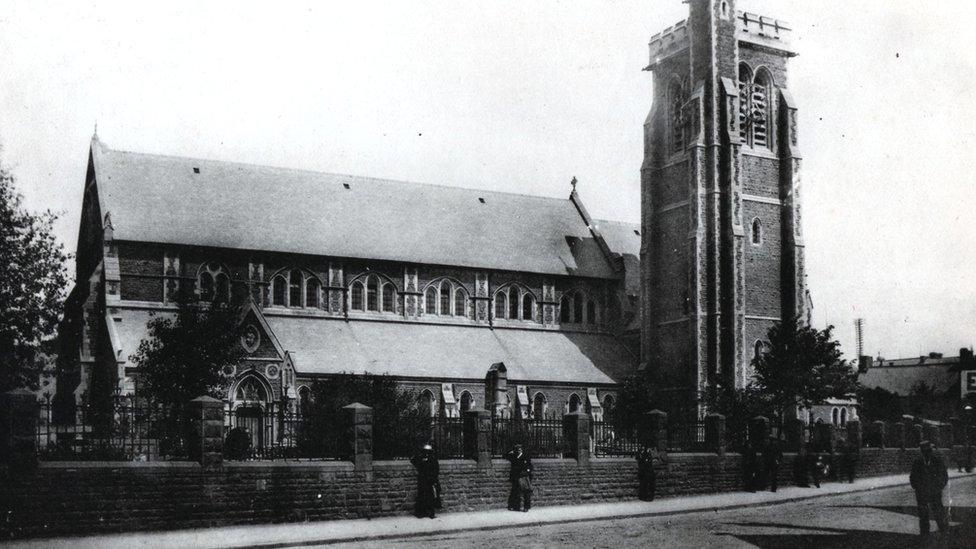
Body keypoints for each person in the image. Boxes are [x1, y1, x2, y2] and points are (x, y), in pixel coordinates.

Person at [909, 440, 949, 536]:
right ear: (922, 452)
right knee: (923, 514)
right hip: (921, 492)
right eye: (925, 451)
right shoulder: (917, 462)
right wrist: (917, 488)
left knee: (938, 512)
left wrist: (939, 487)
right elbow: (912, 477)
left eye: (929, 451)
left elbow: (944, 476)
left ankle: (944, 531)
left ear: (931, 451)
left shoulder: (937, 461)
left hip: (934, 492)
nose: (927, 453)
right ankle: (924, 534)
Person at [410, 443, 440, 519]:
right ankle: (420, 513)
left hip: (430, 480)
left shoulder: (433, 459)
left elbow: (436, 470)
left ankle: (431, 513)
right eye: (425, 451)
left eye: (428, 451)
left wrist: (433, 479)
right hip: (422, 480)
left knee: (430, 497)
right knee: (421, 496)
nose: (426, 453)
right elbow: (413, 460)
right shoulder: (420, 458)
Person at [504, 443, 533, 511]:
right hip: (516, 477)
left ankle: (526, 507)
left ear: (522, 450)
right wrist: (510, 452)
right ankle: (514, 506)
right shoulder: (514, 457)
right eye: (517, 450)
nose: (518, 451)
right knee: (515, 492)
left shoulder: (525, 456)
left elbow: (530, 466)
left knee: (526, 491)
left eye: (520, 450)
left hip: (523, 476)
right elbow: (505, 456)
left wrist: (527, 471)